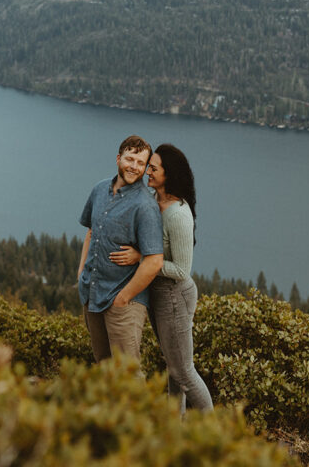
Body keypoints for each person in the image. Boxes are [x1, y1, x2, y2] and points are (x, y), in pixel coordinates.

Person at [109, 143, 213, 412]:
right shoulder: (155, 201)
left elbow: (181, 271)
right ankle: (174, 430)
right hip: (158, 294)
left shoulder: (178, 214)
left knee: (184, 373)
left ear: (169, 174)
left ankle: (216, 434)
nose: (147, 173)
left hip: (174, 295)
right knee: (173, 368)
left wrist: (141, 258)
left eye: (153, 168)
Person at [77, 134, 164, 363]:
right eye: (130, 159)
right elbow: (90, 233)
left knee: (127, 373)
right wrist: (81, 275)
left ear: (146, 168)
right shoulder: (99, 190)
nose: (134, 167)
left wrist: (123, 298)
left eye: (140, 163)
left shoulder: (145, 206)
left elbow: (154, 261)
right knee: (104, 365)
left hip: (123, 301)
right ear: (118, 158)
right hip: (92, 294)